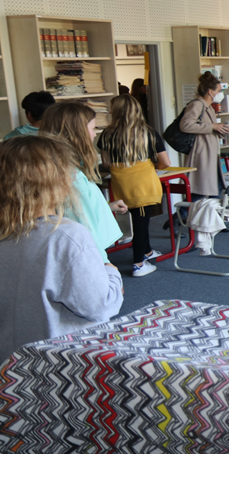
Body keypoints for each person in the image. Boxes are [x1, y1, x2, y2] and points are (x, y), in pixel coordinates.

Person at [0, 135, 123, 363]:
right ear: (55, 182)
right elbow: (100, 305)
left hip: (9, 363)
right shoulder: (65, 236)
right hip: (61, 363)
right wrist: (111, 273)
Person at [39, 102, 134, 264]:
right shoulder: (72, 177)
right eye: (93, 128)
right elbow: (85, 226)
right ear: (78, 133)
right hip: (89, 254)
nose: (95, 134)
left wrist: (107, 206)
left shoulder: (56, 168)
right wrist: (105, 263)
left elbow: (75, 210)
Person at [98, 95, 172, 277]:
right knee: (141, 224)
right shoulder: (148, 133)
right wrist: (152, 166)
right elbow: (166, 162)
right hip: (144, 184)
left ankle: (147, 251)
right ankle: (138, 264)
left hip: (121, 184)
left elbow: (106, 163)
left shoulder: (106, 135)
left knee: (139, 220)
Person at [180, 72, 229, 199]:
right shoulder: (197, 104)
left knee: (213, 191)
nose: (220, 94)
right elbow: (185, 125)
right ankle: (183, 212)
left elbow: (210, 128)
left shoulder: (209, 107)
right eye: (218, 91)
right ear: (210, 92)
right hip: (202, 154)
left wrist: (222, 130)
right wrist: (213, 126)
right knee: (199, 192)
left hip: (210, 154)